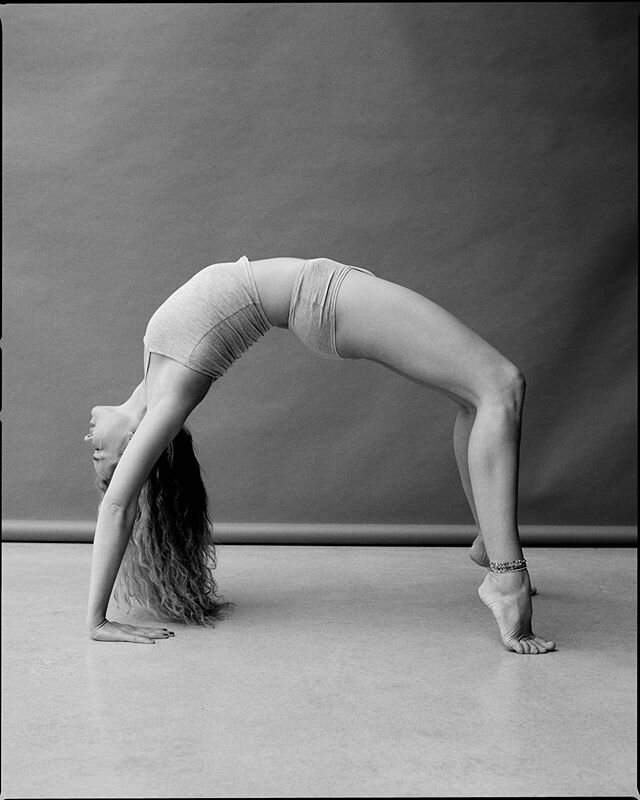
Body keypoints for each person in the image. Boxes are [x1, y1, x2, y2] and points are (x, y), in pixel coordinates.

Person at [85, 255, 556, 654]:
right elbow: (118, 507)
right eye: (102, 462)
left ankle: (488, 543)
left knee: (472, 398)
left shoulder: (155, 366)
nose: (89, 445)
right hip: (324, 300)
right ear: (134, 447)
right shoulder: (169, 395)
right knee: (501, 385)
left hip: (325, 290)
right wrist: (97, 621)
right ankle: (506, 580)